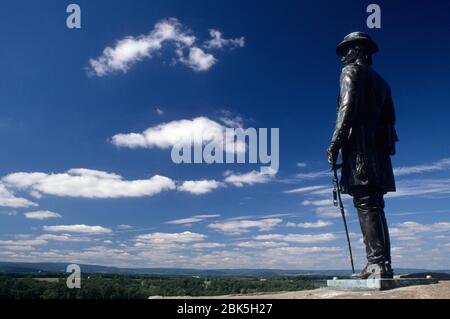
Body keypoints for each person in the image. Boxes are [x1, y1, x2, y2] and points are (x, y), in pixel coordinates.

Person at [327, 32, 398, 279]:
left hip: (360, 151)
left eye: (346, 50)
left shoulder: (350, 73)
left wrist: (334, 143)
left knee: (366, 205)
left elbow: (345, 109)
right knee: (376, 206)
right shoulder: (383, 84)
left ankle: (376, 264)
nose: (343, 57)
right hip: (378, 154)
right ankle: (383, 264)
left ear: (358, 50)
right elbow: (391, 123)